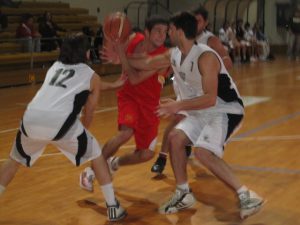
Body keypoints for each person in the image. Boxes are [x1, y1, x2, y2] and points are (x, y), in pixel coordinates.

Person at [122, 11, 264, 219]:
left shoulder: (205, 57)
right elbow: (145, 62)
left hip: (224, 109)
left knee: (203, 153)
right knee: (175, 139)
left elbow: (210, 99)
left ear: (179, 31)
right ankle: (183, 193)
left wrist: (178, 105)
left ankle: (247, 195)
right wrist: (121, 53)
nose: (168, 32)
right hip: (199, 110)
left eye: (170, 29)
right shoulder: (174, 54)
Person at [0, 33, 127, 222]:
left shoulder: (55, 67)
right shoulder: (90, 74)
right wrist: (84, 130)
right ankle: (112, 207)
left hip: (30, 119)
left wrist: (114, 85)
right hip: (59, 124)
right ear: (85, 53)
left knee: (13, 162)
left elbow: (84, 85)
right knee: (96, 153)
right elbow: (90, 109)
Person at [79, 15, 170, 191]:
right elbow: (115, 50)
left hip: (149, 105)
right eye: (158, 31)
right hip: (129, 97)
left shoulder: (163, 57)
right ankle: (89, 172)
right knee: (125, 134)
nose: (161, 35)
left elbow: (135, 78)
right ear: (147, 32)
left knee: (146, 154)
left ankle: (115, 162)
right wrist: (113, 49)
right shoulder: (134, 39)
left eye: (165, 32)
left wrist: (120, 55)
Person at [151, 5, 233, 175]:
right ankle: (163, 157)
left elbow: (227, 61)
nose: (196, 23)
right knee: (178, 118)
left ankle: (171, 154)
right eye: (193, 20)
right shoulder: (182, 42)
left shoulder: (210, 40)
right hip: (185, 87)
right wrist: (163, 77)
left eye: (199, 20)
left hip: (202, 90)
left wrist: (211, 73)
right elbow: (176, 62)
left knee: (182, 120)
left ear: (206, 22)